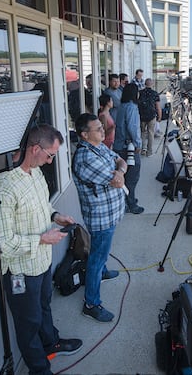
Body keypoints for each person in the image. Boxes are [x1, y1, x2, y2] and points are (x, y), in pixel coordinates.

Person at [0, 124, 81, 375]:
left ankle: (51, 343)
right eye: (50, 155)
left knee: (44, 305)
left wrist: (56, 216)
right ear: (35, 148)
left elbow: (42, 206)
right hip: (20, 271)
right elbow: (0, 243)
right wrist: (41, 240)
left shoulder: (34, 173)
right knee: (28, 322)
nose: (50, 161)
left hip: (41, 263)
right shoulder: (1, 188)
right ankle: (39, 369)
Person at [72, 114, 128, 322]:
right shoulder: (86, 157)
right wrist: (120, 174)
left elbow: (120, 160)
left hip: (110, 214)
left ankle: (102, 272)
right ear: (85, 135)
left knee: (101, 253)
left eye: (101, 127)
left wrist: (120, 170)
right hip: (100, 218)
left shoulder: (98, 147)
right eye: (97, 129)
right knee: (97, 257)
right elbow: (116, 182)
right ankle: (91, 303)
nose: (103, 130)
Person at [113, 83, 143, 214]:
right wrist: (138, 143)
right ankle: (130, 204)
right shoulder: (131, 107)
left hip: (119, 146)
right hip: (128, 147)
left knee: (124, 175)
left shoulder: (122, 106)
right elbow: (132, 127)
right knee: (132, 176)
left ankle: (129, 200)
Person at [138, 78, 161, 157]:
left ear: (145, 84)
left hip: (142, 115)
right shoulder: (155, 93)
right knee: (151, 133)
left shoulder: (140, 93)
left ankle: (143, 149)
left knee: (142, 133)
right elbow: (158, 106)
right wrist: (159, 116)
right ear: (152, 84)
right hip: (151, 115)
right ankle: (149, 151)